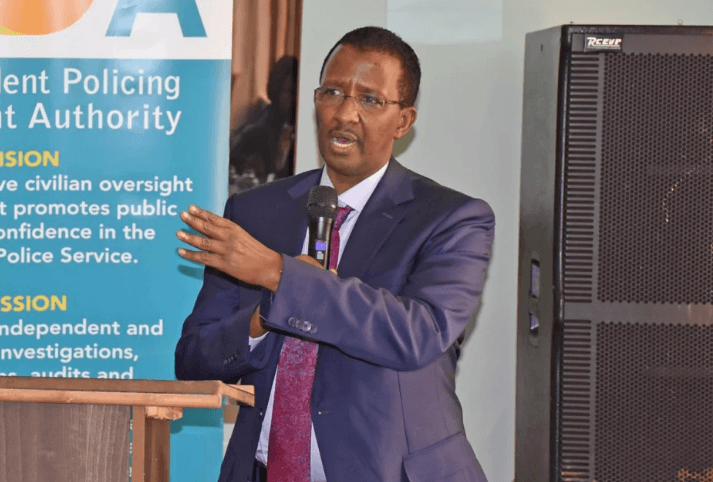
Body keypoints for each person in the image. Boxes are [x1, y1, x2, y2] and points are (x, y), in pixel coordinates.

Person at [175, 26, 494, 482]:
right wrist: (263, 317)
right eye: (333, 93)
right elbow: (193, 359)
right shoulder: (255, 211)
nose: (345, 113)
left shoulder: (452, 219)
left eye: (370, 100)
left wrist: (281, 276)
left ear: (403, 121)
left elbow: (417, 335)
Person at [228, 56, 298, 194]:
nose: (290, 98)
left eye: (293, 92)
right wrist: (248, 162)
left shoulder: (306, 126)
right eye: (285, 92)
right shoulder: (262, 121)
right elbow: (235, 156)